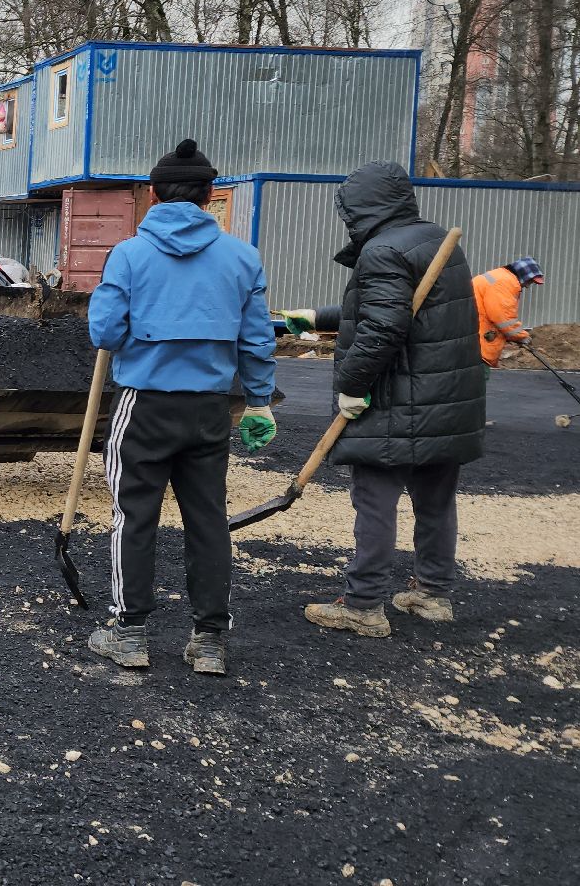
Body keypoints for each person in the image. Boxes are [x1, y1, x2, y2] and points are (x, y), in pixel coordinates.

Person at [85, 139, 277, 676]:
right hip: (210, 410)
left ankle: (129, 635)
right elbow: (258, 339)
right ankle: (210, 640)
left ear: (152, 194)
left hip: (144, 406)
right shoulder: (242, 257)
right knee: (208, 519)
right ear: (211, 195)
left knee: (134, 516)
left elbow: (104, 332)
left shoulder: (128, 254)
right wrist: (259, 402)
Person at [282, 162, 483, 637]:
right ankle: (433, 595)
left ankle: (363, 605)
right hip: (446, 401)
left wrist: (352, 385)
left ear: (361, 207)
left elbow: (384, 326)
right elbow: (402, 309)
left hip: (398, 403)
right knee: (436, 502)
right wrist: (317, 316)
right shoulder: (432, 241)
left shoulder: (382, 251)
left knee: (375, 502)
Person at [472, 257, 543, 367]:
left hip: (472, 336)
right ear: (524, 275)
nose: (528, 286)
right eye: (530, 281)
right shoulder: (505, 283)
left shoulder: (500, 276)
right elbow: (503, 319)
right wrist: (522, 336)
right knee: (477, 380)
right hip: (479, 344)